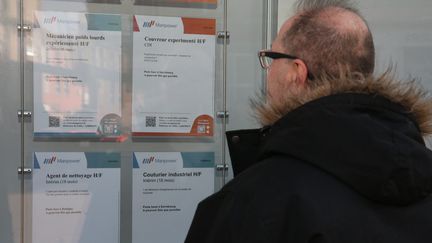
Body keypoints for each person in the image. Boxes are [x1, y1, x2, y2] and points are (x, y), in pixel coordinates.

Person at [185, 0, 432, 242]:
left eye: (271, 58)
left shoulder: (257, 201)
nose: (269, 71)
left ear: (297, 73)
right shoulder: (419, 175)